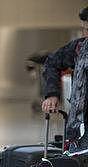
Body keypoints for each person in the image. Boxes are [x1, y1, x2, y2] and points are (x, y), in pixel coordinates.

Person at [42, 6, 88, 149]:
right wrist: (52, 95)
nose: (86, 34)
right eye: (85, 29)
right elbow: (52, 62)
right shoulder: (79, 48)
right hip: (78, 132)